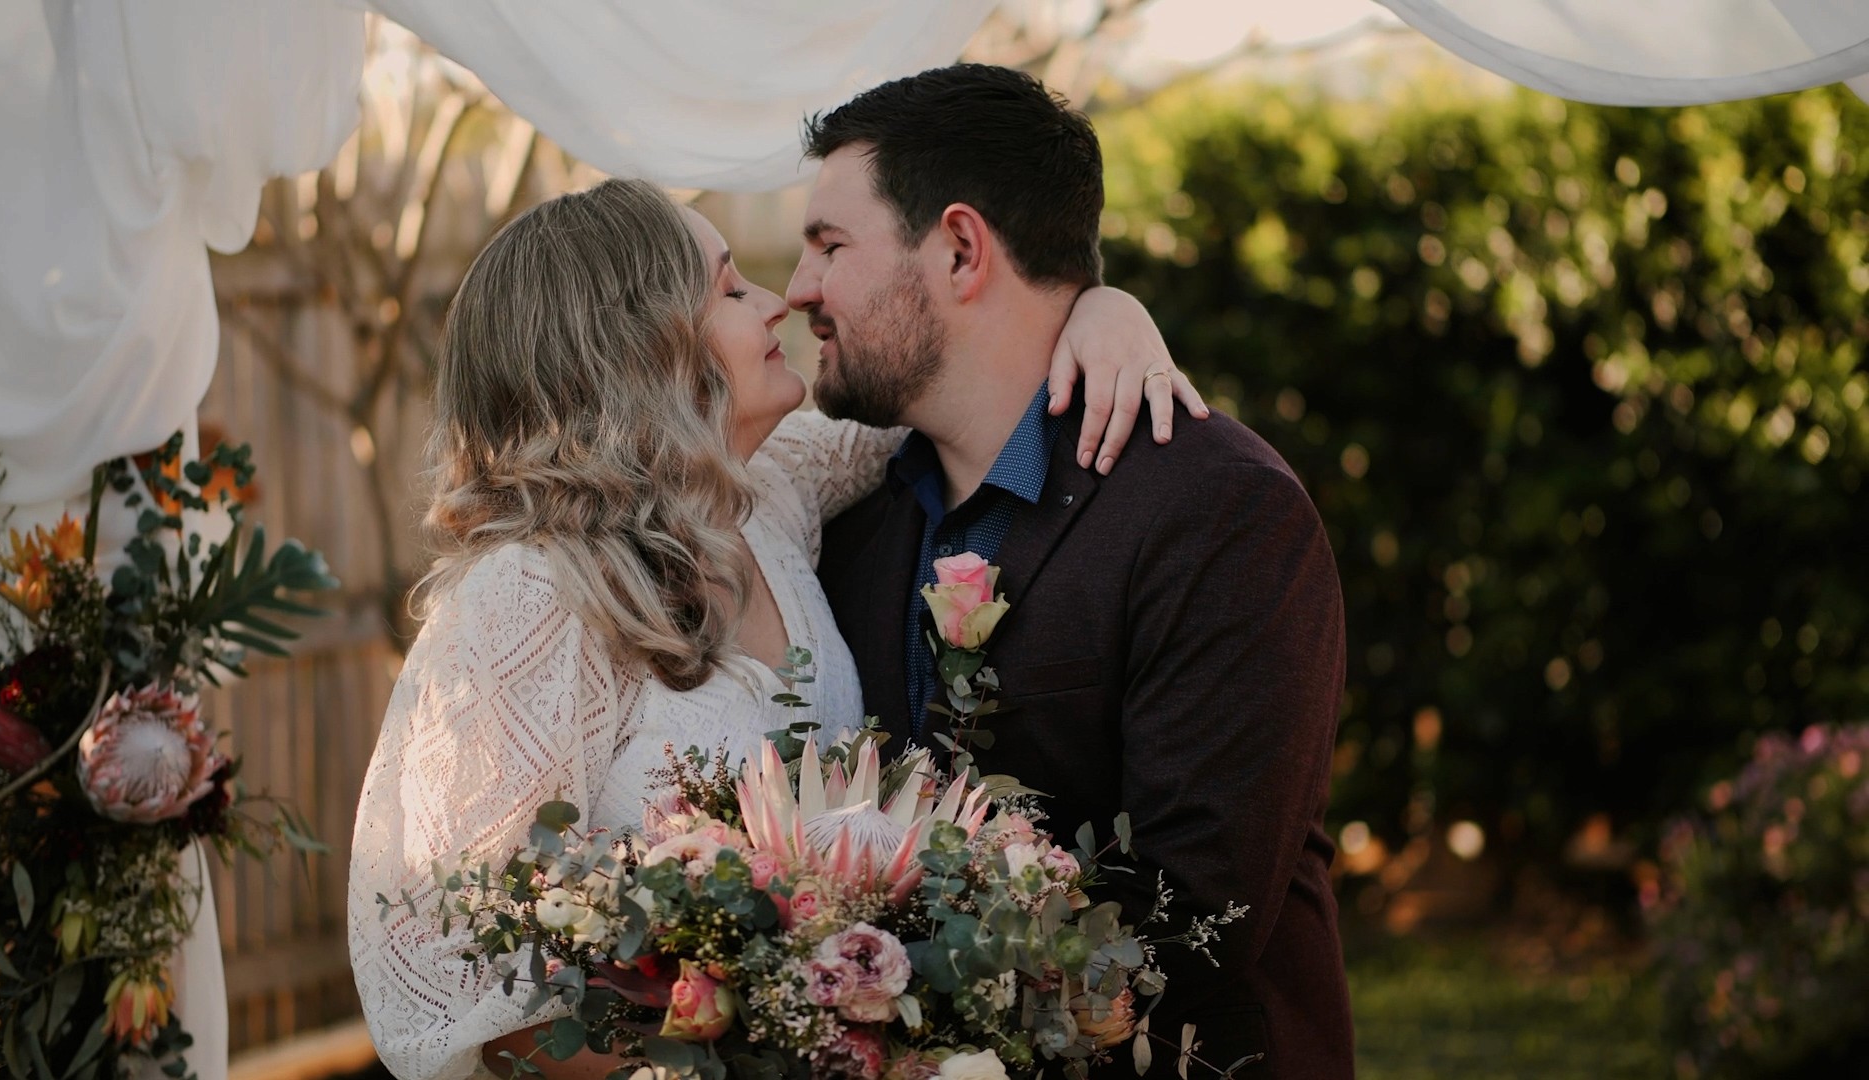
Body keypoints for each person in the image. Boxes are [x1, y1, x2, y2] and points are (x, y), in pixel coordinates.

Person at [345, 178, 1196, 1080]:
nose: (776, 298)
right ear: (640, 347)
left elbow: (954, 385)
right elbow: (459, 976)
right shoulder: (530, 595)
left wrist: (1099, 310)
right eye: (729, 288)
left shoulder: (765, 495)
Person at [801, 66, 1354, 1079]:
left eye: (830, 246)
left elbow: (1196, 910)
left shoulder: (1217, 511)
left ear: (961, 249)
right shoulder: (850, 523)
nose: (800, 288)